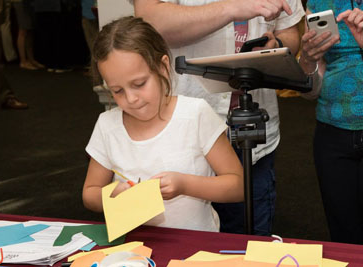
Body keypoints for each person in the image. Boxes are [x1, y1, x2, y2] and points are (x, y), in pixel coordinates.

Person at [131, 0, 305, 235]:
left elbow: (289, 31)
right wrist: (234, 8)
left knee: (251, 246)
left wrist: (277, 46)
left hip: (252, 137)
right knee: (183, 245)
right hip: (184, 137)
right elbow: (149, 19)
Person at [82, 16, 244, 232]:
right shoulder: (107, 125)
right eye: (117, 91)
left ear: (163, 67)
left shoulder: (195, 115)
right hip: (134, 246)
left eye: (139, 84)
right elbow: (90, 193)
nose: (130, 98)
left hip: (195, 244)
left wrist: (185, 185)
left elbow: (238, 186)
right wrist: (112, 195)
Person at [298, 0, 363, 244]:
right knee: (344, 236)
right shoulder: (317, 5)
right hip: (332, 132)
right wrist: (307, 59)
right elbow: (309, 92)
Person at [12, 0, 45, 70]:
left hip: (29, 2)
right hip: (20, 2)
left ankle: (31, 59)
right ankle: (23, 61)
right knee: (23, 29)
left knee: (30, 30)